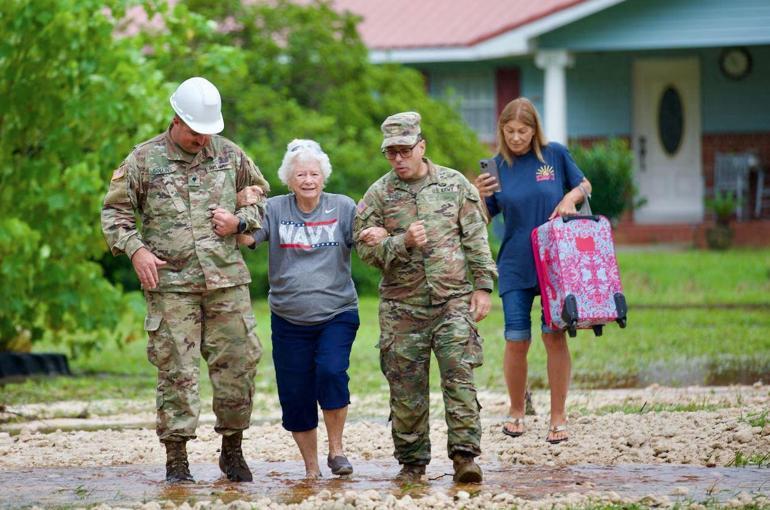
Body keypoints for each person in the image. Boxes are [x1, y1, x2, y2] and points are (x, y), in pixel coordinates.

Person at [101, 76, 270, 483]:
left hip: (226, 281)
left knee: (238, 365)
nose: (202, 140)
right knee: (177, 371)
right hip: (172, 285)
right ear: (176, 120)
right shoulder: (143, 161)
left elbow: (261, 195)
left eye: (208, 133)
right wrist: (136, 249)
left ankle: (233, 450)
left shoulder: (231, 155)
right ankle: (177, 460)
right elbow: (114, 215)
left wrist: (240, 221)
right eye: (195, 133)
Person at [354, 112, 498, 484]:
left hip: (452, 302)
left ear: (422, 147)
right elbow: (364, 251)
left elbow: (476, 240)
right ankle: (412, 463)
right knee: (406, 389)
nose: (398, 159)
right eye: (391, 153)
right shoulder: (378, 194)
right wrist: (400, 242)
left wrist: (483, 287)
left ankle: (465, 458)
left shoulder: (454, 185)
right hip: (402, 308)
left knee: (459, 380)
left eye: (404, 150)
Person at [236, 139, 359, 479]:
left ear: (324, 177)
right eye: (300, 174)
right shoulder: (274, 209)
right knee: (295, 392)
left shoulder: (344, 207)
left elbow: (366, 241)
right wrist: (237, 211)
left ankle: (336, 450)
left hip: (337, 311)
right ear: (289, 180)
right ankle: (311, 469)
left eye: (314, 173)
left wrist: (378, 231)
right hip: (288, 317)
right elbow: (247, 239)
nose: (308, 180)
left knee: (332, 371)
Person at [474, 97, 592, 444]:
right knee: (516, 338)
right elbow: (483, 218)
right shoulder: (495, 167)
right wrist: (478, 196)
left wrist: (571, 199)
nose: (515, 137)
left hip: (556, 260)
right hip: (515, 261)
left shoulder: (554, 155)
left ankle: (558, 416)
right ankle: (516, 411)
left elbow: (584, 186)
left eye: (522, 131)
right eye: (509, 131)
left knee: (553, 335)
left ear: (534, 130)